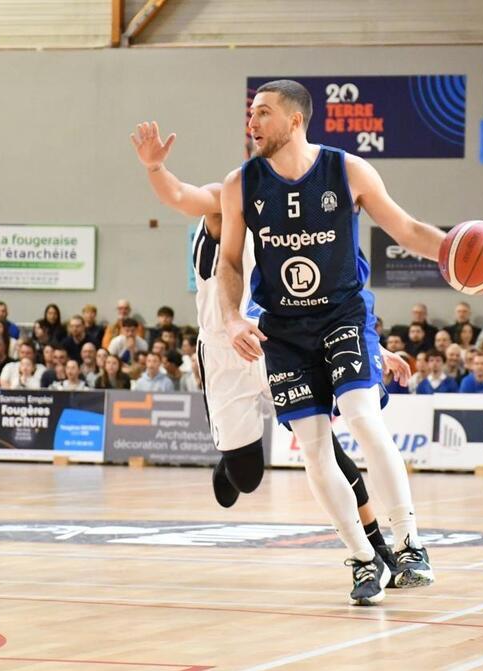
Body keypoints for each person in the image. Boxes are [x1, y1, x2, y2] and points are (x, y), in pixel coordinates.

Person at [213, 80, 483, 605]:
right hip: (283, 328)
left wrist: (461, 258)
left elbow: (407, 228)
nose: (252, 123)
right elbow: (230, 262)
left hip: (343, 313)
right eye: (250, 113)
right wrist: (231, 318)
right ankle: (365, 559)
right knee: (314, 449)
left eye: (263, 113)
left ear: (296, 120)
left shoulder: (347, 170)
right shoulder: (240, 185)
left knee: (362, 415)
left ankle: (410, 543)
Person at [131, 109, 412, 593]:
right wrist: (155, 168)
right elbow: (179, 196)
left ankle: (376, 552)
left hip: (279, 336)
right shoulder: (229, 199)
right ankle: (230, 461)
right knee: (246, 475)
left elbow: (325, 290)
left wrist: (376, 345)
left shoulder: (298, 208)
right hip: (223, 348)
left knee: (324, 446)